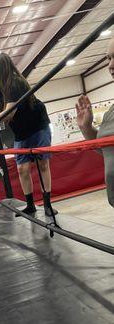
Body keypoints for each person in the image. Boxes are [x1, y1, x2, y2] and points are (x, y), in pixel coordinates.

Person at [0, 52, 57, 217]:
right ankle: (30, 205)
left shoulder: (15, 83)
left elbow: (8, 114)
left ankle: (47, 204)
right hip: (21, 131)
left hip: (38, 125)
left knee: (42, 164)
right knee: (22, 169)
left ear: (5, 68)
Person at [76, 37, 114, 207]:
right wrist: (86, 128)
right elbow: (107, 150)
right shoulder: (111, 111)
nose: (110, 65)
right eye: (108, 58)